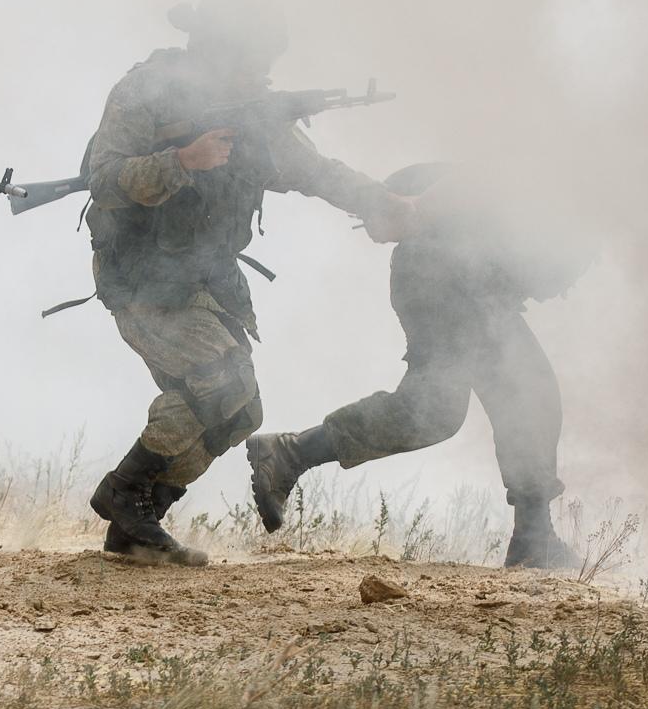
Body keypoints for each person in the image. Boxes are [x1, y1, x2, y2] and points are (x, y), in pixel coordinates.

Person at [81, 0, 413, 566]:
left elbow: (314, 171)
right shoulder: (146, 91)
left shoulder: (252, 110)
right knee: (218, 382)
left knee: (241, 412)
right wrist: (182, 161)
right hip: (142, 273)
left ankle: (138, 523)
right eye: (251, 58)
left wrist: (381, 201)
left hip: (208, 276)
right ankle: (123, 494)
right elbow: (103, 180)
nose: (261, 72)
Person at [246, 163, 583, 569]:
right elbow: (483, 170)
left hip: (448, 279)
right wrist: (419, 210)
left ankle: (291, 453)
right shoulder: (562, 169)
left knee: (436, 409)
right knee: (525, 392)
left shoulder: (576, 184)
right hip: (449, 274)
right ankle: (534, 539)